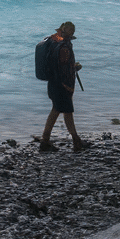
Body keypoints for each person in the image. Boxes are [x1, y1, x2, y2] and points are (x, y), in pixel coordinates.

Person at [39, 21, 86, 153]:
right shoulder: (64, 47)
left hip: (53, 83)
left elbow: (57, 65)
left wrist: (71, 66)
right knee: (63, 112)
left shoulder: (53, 41)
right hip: (62, 86)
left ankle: (48, 141)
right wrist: (75, 67)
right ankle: (74, 142)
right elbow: (63, 68)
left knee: (60, 111)